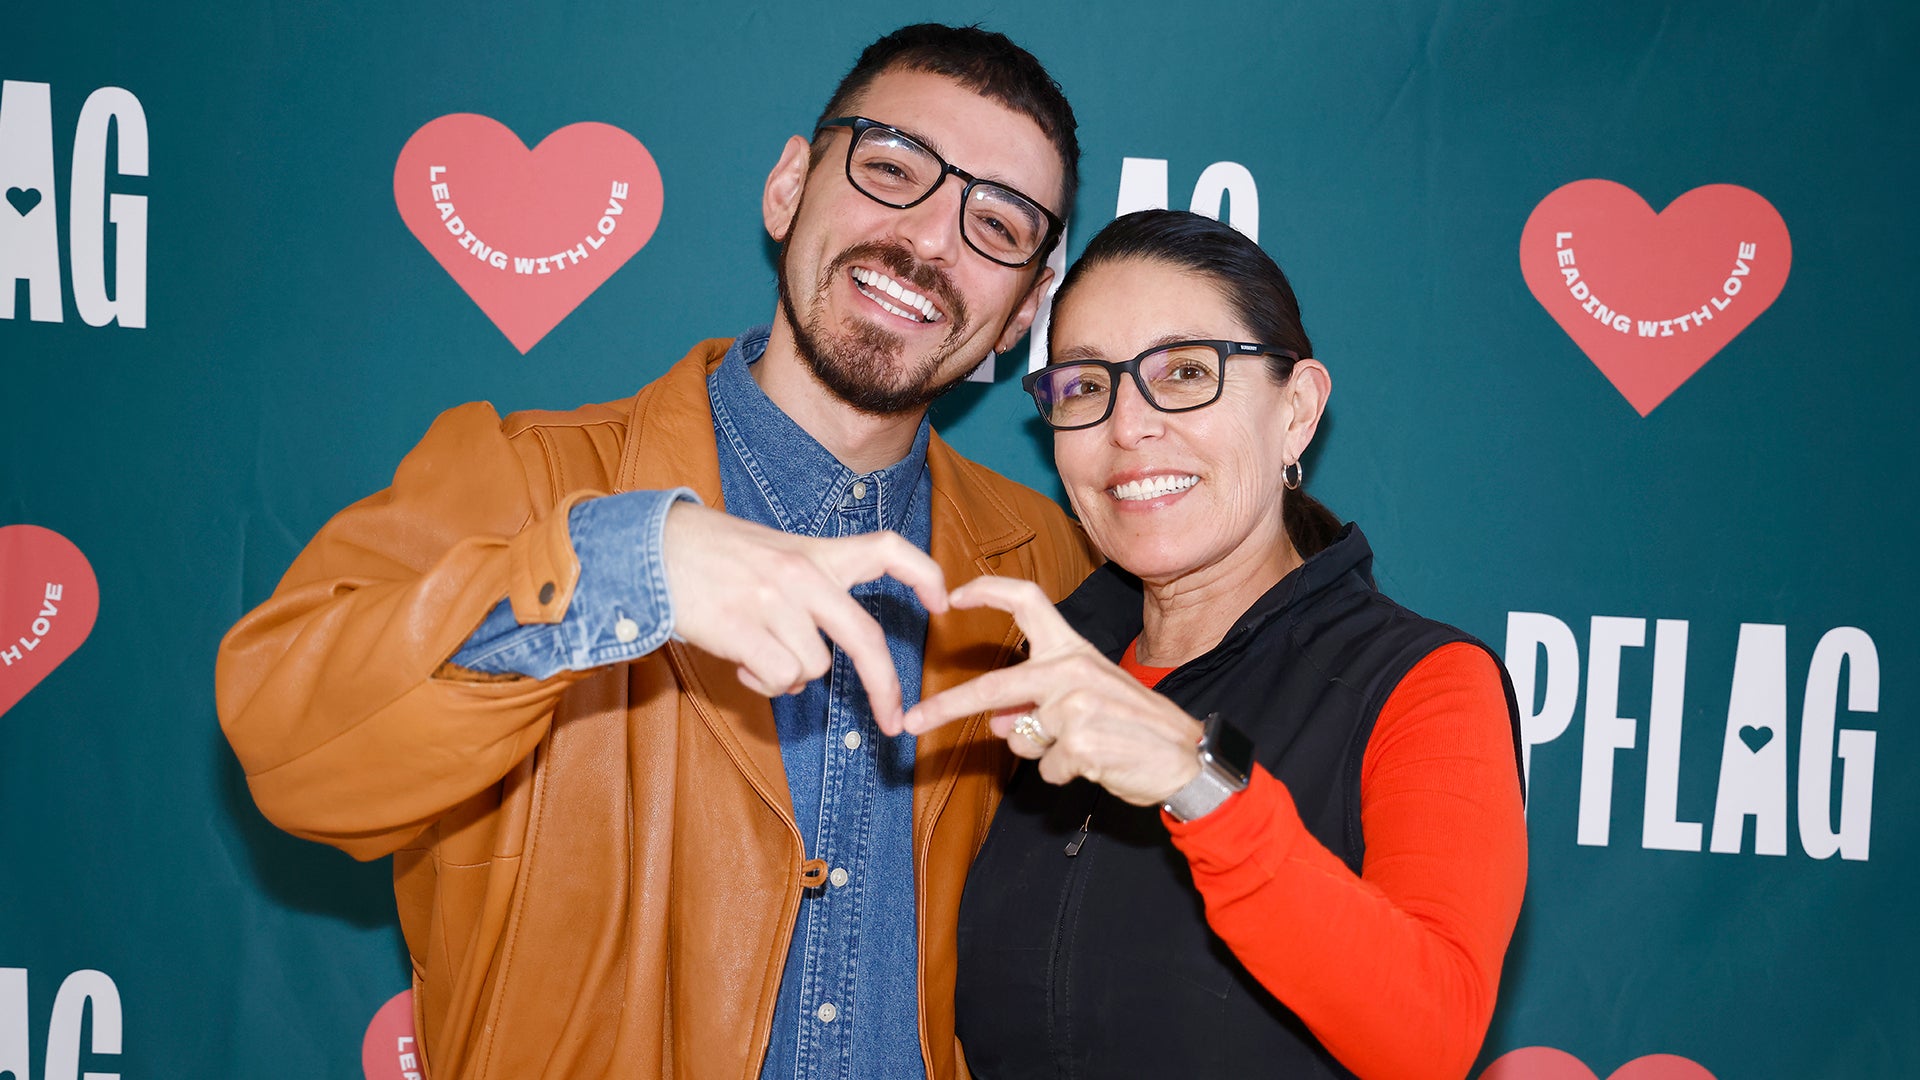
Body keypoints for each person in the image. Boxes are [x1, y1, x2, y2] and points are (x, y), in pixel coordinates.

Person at [214, 25, 1096, 1080]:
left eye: (995, 223)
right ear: (788, 188)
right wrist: (622, 571)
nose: (927, 239)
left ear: (1024, 313)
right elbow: (287, 743)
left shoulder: (1045, 564)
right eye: (892, 168)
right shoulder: (522, 478)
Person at [900, 210, 1529, 1079]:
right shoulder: (1035, 672)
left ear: (1297, 410)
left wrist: (1199, 779)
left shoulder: (1421, 684)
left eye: (1187, 372)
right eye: (1085, 386)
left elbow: (1430, 1038)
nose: (1129, 427)